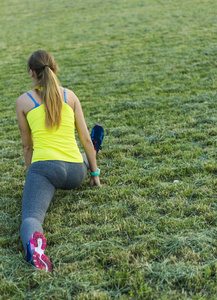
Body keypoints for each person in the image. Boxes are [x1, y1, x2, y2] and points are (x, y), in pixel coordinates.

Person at [16, 50, 104, 272]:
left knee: (31, 218)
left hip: (45, 170)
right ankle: (93, 153)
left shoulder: (23, 102)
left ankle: (36, 251)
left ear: (31, 73)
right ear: (55, 69)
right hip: (76, 172)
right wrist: (95, 175)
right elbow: (83, 137)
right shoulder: (70, 96)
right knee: (86, 149)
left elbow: (28, 147)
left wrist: (33, 176)